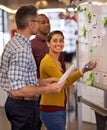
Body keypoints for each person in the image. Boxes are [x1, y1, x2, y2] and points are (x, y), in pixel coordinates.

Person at [0, 6, 65, 130]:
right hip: (23, 106)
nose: (40, 25)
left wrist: (43, 81)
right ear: (30, 24)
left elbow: (21, 79)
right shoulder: (21, 50)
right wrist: (47, 89)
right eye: (38, 22)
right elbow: (17, 90)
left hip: (21, 104)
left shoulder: (17, 43)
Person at [39, 30, 97, 130]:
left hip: (58, 108)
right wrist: (82, 71)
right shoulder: (48, 61)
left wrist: (84, 70)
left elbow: (65, 82)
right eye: (55, 41)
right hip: (51, 110)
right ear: (48, 43)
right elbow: (63, 84)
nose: (59, 44)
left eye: (61, 41)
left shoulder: (57, 62)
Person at [31, 14, 66, 129]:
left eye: (48, 22)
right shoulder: (32, 45)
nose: (47, 25)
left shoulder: (56, 44)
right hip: (39, 92)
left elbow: (62, 66)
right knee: (36, 124)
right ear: (36, 24)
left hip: (56, 90)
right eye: (43, 22)